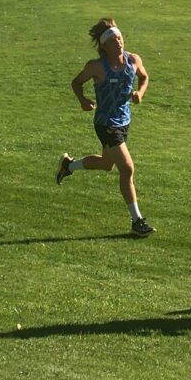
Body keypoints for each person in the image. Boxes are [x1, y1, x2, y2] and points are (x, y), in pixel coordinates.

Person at [56, 18, 155, 238]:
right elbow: (76, 82)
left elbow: (145, 77)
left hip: (124, 121)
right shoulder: (96, 67)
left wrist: (140, 93)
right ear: (103, 46)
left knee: (106, 164)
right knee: (127, 169)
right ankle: (137, 221)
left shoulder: (133, 60)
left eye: (119, 37)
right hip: (105, 123)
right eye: (112, 40)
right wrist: (82, 100)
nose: (118, 42)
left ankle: (68, 166)